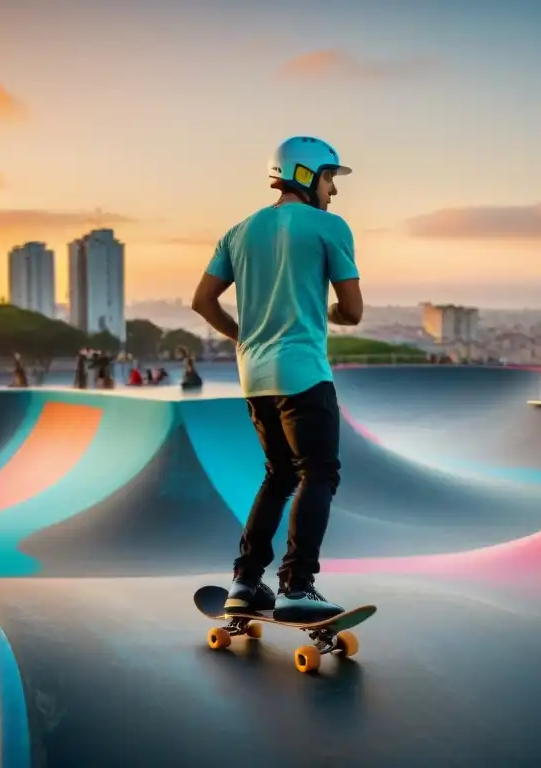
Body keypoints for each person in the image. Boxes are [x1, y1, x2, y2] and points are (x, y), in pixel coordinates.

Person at [190, 135, 362, 622]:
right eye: (330, 177)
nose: (335, 190)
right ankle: (297, 585)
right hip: (303, 371)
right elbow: (351, 310)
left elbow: (203, 301)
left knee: (279, 475)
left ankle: (245, 582)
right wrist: (327, 312)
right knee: (319, 473)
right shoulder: (329, 227)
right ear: (307, 175)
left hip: (254, 376)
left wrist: (241, 336)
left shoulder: (238, 231)